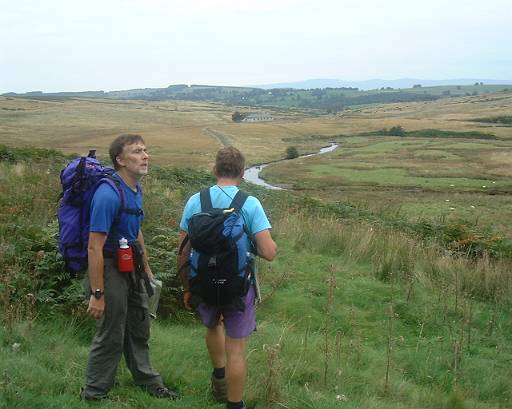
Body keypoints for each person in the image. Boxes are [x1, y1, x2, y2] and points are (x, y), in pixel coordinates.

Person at [177, 146, 277, 409]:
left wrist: (187, 287)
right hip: (237, 287)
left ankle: (219, 376)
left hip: (203, 282)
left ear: (215, 170)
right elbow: (269, 252)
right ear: (243, 173)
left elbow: (183, 251)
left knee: (212, 327)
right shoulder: (249, 203)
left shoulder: (195, 200)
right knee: (237, 348)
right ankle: (234, 404)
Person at [81, 134, 178, 401]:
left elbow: (136, 231)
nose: (145, 156)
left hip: (131, 265)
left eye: (145, 150)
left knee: (139, 325)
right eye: (137, 152)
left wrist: (146, 269)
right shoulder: (107, 194)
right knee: (111, 332)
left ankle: (147, 381)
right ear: (120, 160)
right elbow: (94, 247)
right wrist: (97, 293)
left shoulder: (134, 188)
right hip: (109, 266)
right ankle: (94, 393)